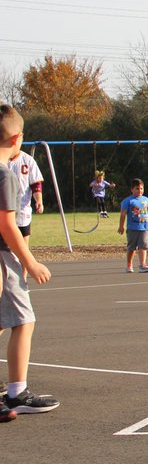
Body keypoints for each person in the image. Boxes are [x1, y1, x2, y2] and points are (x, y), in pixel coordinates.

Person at [0, 106, 56, 422]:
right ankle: (17, 393)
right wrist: (30, 261)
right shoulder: (4, 174)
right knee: (23, 320)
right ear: (17, 137)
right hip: (4, 255)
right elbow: (7, 226)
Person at [117, 178, 148, 273]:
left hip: (145, 227)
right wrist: (121, 226)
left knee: (143, 246)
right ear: (132, 189)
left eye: (141, 188)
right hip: (133, 228)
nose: (140, 191)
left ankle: (143, 265)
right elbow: (123, 214)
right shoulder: (128, 201)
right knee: (132, 248)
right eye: (137, 188)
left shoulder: (146, 200)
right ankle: (129, 265)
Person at [9, 149, 44, 244]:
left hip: (22, 207)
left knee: (23, 244)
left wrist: (39, 201)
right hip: (3, 208)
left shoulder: (27, 160)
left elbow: (36, 183)